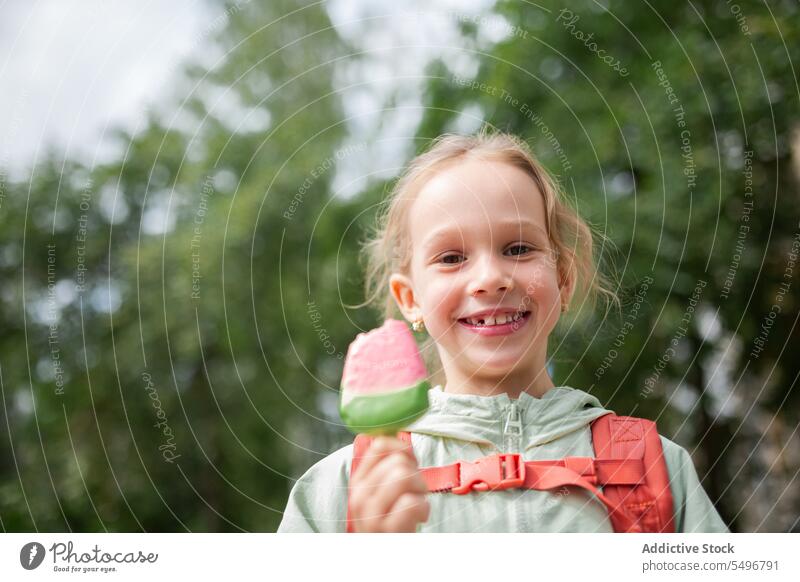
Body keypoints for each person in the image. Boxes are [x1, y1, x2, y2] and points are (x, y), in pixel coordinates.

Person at [277, 129, 729, 533]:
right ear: (410, 298)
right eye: (451, 257)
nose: (491, 278)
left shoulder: (656, 468)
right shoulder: (339, 492)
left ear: (564, 279)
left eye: (518, 248)